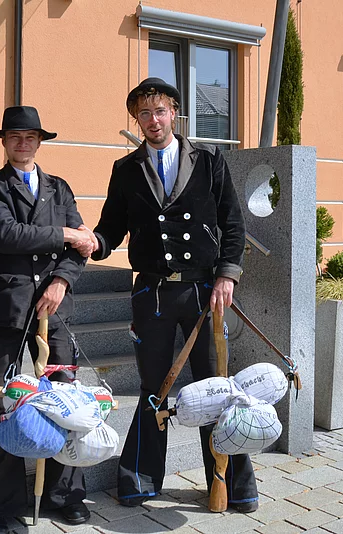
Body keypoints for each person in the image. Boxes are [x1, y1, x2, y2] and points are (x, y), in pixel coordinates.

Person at [88, 78, 259, 511]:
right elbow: (111, 227)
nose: (153, 120)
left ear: (174, 113)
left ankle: (233, 484)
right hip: (153, 293)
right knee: (154, 386)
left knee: (216, 387)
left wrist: (227, 275)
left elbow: (232, 222)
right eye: (144, 114)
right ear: (137, 120)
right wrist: (93, 243)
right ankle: (141, 479)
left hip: (205, 291)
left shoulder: (209, 158)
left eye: (159, 111)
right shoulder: (125, 169)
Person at [0, 106, 97, 534]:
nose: (22, 143)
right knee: (1, 401)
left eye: (30, 137)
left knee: (64, 400)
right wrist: (65, 235)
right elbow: (6, 235)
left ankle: (65, 494)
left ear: (40, 142)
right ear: (4, 142)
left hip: (54, 311)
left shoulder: (59, 188)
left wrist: (61, 280)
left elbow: (82, 248)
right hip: (7, 309)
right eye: (14, 137)